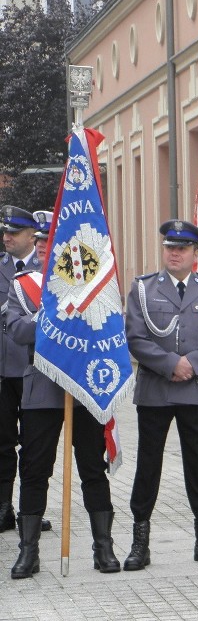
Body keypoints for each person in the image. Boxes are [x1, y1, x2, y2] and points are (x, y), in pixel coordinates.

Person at [6, 210, 121, 578]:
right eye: (40, 242)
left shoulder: (90, 286)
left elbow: (108, 325)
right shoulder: (24, 285)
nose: (44, 247)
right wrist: (52, 318)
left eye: (50, 241)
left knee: (92, 467)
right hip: (41, 387)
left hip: (84, 387)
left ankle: (103, 548)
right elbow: (17, 331)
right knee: (35, 469)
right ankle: (28, 551)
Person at [123, 220, 198, 570]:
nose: (175, 253)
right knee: (148, 466)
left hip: (195, 391)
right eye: (170, 247)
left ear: (195, 254)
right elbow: (135, 337)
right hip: (156, 390)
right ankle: (140, 541)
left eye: (182, 248)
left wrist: (193, 364)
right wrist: (172, 364)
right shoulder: (143, 288)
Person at [0, 206, 50, 535]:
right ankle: (3, 506)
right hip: (4, 370)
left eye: (13, 233)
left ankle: (32, 508)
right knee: (2, 442)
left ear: (32, 236)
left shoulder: (48, 269)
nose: (6, 237)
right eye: (4, 232)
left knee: (35, 446)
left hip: (36, 372)